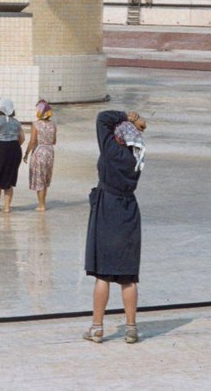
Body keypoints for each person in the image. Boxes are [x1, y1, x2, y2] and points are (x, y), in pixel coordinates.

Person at [83, 108, 147, 345]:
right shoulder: (135, 157)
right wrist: (136, 123)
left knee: (102, 274)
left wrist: (127, 115)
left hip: (107, 209)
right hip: (128, 210)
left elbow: (102, 118)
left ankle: (97, 329)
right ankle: (131, 329)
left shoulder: (110, 149)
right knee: (128, 277)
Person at [23, 100, 58, 211]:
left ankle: (41, 205)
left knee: (39, 179)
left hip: (39, 151)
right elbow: (54, 141)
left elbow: (33, 141)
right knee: (45, 178)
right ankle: (43, 203)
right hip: (50, 151)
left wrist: (26, 154)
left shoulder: (36, 124)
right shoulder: (53, 125)